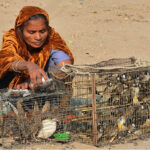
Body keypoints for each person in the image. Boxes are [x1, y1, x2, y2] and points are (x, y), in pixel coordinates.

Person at [0, 6, 74, 90]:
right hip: (12, 83)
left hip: (42, 84)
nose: (38, 37)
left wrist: (38, 80)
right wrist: (28, 65)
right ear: (20, 31)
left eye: (42, 31)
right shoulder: (12, 38)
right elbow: (6, 60)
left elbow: (66, 67)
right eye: (32, 32)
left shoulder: (52, 38)